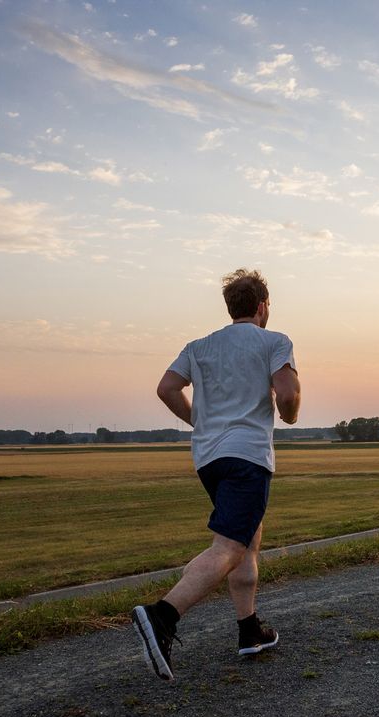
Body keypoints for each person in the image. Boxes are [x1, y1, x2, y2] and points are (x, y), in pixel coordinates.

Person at [132, 268, 301, 682]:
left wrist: (200, 422)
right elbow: (289, 394)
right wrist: (289, 414)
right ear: (262, 307)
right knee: (229, 547)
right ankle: (163, 616)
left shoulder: (199, 346)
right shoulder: (275, 341)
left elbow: (167, 389)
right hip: (248, 457)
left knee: (246, 541)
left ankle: (250, 631)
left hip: (209, 458)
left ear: (231, 307)